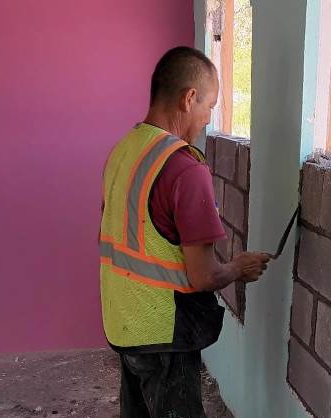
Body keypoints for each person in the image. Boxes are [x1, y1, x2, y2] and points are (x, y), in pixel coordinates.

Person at [99, 46, 270, 418]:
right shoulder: (184, 169)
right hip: (162, 331)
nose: (208, 119)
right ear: (189, 98)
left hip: (123, 321)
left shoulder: (124, 151)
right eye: (210, 106)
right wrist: (239, 267)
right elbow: (203, 276)